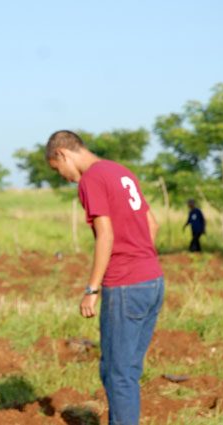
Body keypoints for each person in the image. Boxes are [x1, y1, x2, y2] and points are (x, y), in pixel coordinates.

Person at [46, 130, 164, 425]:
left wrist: (92, 288)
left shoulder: (91, 179)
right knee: (127, 371)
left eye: (57, 169)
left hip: (125, 285)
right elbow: (153, 224)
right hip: (153, 280)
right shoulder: (121, 171)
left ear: (63, 154)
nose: (64, 177)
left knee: (117, 373)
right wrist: (141, 261)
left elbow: (105, 235)